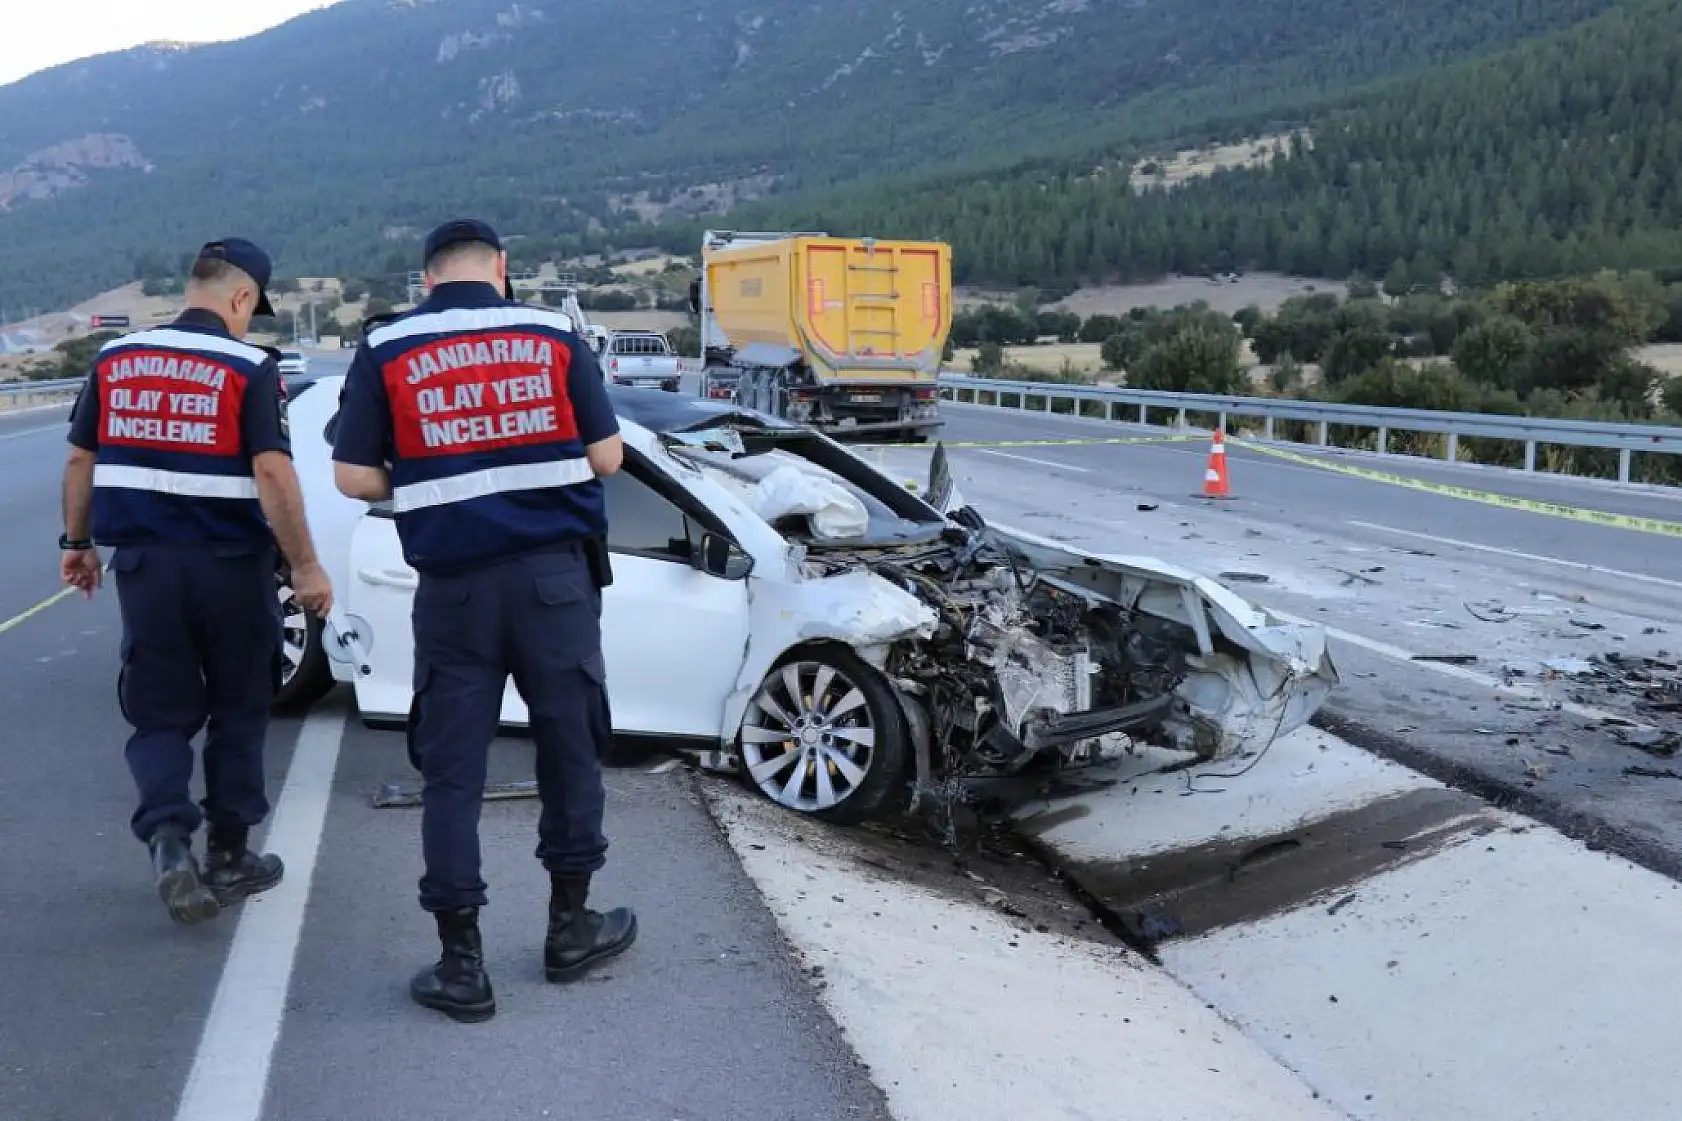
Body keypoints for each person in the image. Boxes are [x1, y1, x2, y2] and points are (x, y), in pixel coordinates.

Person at [331, 218, 636, 1024]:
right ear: (502, 267)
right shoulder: (552, 332)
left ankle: (461, 964)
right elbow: (607, 458)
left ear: (427, 277)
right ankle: (570, 928)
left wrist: (439, 471)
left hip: (455, 593)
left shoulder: (390, 346)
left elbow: (352, 474)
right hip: (553, 586)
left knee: (453, 773)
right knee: (570, 750)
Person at [60, 236, 335, 927]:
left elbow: (80, 459)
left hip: (147, 569)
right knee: (240, 707)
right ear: (242, 298)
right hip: (230, 569)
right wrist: (305, 564)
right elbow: (273, 474)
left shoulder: (115, 358)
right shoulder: (249, 366)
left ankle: (169, 839)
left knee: (159, 712)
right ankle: (232, 855)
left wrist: (77, 543)